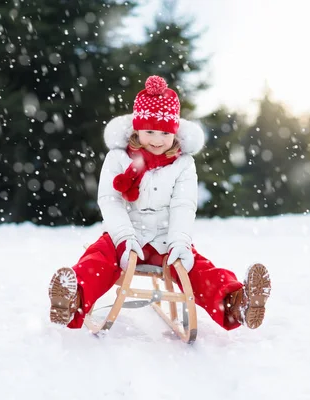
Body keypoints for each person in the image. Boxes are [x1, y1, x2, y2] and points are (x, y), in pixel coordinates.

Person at [48, 76, 271, 331]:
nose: (156, 139)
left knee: (197, 268)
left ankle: (236, 302)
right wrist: (123, 237)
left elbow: (183, 205)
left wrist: (179, 241)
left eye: (165, 133)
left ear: (174, 132)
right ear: (136, 129)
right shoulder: (118, 158)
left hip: (166, 237)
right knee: (98, 258)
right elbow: (110, 200)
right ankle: (72, 298)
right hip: (125, 234)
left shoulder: (183, 164)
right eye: (149, 131)